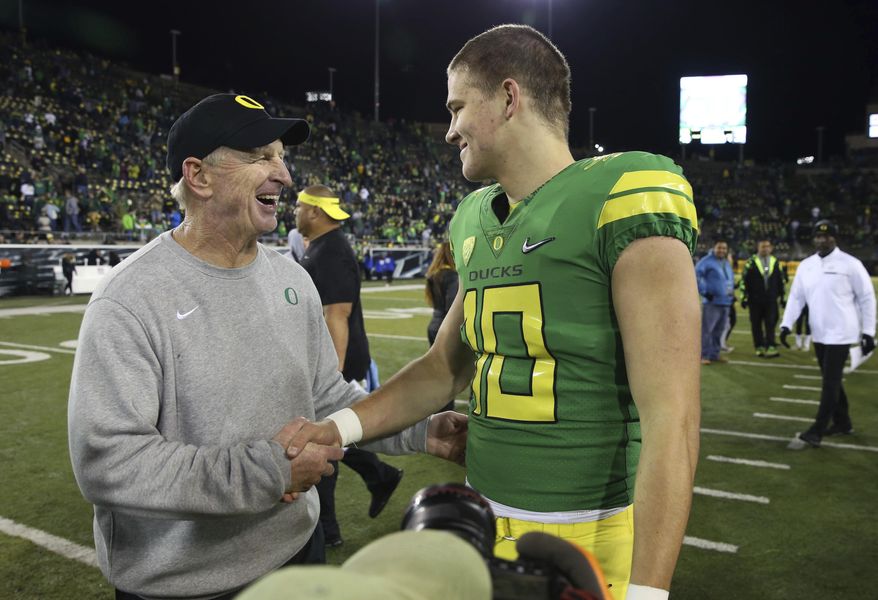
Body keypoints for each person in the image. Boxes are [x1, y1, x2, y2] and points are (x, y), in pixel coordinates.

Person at [285, 24, 701, 600]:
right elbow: (443, 368)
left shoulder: (624, 194)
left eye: (457, 107)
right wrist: (336, 426)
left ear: (509, 98)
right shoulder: (475, 217)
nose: (450, 128)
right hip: (482, 514)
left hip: (588, 530)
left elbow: (672, 419)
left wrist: (650, 593)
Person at [68, 93, 465, 600]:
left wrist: (421, 432)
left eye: (281, 156)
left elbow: (326, 398)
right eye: (261, 157)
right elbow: (108, 462)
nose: (285, 175)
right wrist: (268, 470)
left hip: (300, 554)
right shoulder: (129, 299)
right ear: (199, 176)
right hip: (187, 587)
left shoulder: (292, 279)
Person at [294, 184, 405, 548]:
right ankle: (378, 476)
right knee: (327, 435)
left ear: (314, 211)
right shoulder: (323, 248)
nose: (293, 212)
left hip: (336, 361)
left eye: (299, 206)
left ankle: (327, 529)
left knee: (320, 437)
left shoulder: (332, 251)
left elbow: (337, 315)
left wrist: (333, 374)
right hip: (326, 361)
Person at [779, 219, 876, 448]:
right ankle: (843, 422)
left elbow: (866, 298)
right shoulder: (806, 265)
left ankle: (817, 430)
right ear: (814, 238)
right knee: (831, 381)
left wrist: (869, 332)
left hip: (842, 334)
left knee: (830, 383)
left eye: (827, 236)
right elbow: (796, 297)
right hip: (819, 334)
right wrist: (786, 324)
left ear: (835, 238)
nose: (822, 240)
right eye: (819, 236)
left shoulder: (850, 264)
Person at [425, 241, 459, 412]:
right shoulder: (451, 275)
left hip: (433, 325)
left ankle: (436, 407)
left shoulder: (433, 275)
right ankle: (445, 410)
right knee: (448, 374)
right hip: (445, 327)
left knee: (438, 372)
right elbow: (451, 306)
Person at [739, 239, 786, 357]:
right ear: (758, 247)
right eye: (762, 246)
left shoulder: (775, 262)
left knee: (771, 323)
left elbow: (781, 280)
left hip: (771, 300)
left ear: (771, 248)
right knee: (756, 324)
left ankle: (770, 345)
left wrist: (782, 297)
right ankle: (759, 346)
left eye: (767, 246)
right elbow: (744, 280)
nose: (765, 249)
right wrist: (743, 297)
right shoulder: (751, 261)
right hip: (754, 300)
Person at [696, 240, 734, 365]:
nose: (722, 250)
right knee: (707, 330)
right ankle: (704, 355)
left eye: (724, 248)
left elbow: (728, 280)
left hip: (725, 302)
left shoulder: (726, 262)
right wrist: (704, 292)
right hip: (711, 302)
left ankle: (714, 354)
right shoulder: (706, 261)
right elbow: (696, 276)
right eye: (719, 248)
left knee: (719, 330)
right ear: (714, 248)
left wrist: (731, 294)